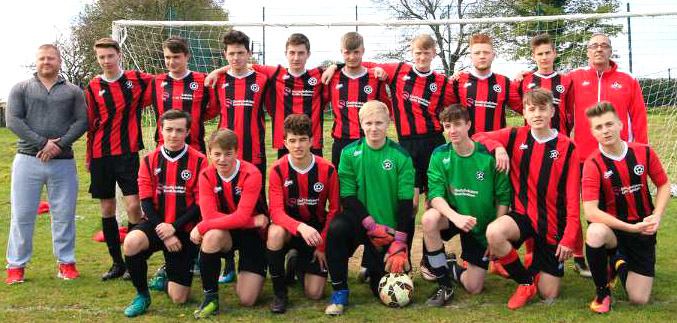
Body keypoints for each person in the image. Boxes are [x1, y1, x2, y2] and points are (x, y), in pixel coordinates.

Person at [474, 88, 582, 310]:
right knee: (494, 233)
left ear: (552, 111)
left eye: (543, 109)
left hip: (552, 224)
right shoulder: (515, 135)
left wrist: (569, 237)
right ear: (524, 111)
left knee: (549, 294)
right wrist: (498, 148)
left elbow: (573, 198)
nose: (537, 114)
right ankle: (525, 282)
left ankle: (534, 263)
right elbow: (477, 137)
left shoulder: (568, 147)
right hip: (522, 216)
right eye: (531, 109)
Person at [5, 44, 88, 284]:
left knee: (64, 214)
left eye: (51, 58)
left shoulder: (73, 91)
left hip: (63, 161)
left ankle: (66, 263)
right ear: (36, 61)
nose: (46, 62)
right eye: (42, 58)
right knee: (22, 214)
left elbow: (82, 122)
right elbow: (13, 121)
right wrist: (43, 143)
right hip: (27, 159)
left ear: (59, 61)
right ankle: (16, 267)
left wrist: (59, 145)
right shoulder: (21, 88)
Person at [508, 33, 589, 277]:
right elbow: (514, 103)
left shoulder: (566, 81)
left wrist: (564, 136)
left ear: (554, 54)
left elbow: (571, 112)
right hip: (532, 151)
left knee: (567, 203)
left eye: (547, 53)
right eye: (539, 54)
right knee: (532, 204)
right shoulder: (526, 81)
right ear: (533, 56)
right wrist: (515, 80)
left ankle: (579, 256)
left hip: (560, 151)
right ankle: (535, 253)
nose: (544, 57)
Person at [324, 100, 414, 316]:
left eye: (379, 123)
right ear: (361, 124)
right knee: (336, 230)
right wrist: (371, 225)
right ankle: (339, 291)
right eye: (369, 123)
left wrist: (400, 243)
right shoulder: (348, 153)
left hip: (387, 230)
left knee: (380, 291)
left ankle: (371, 269)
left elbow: (405, 203)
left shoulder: (401, 156)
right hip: (360, 222)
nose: (374, 128)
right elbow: (347, 195)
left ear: (389, 123)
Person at [582, 102, 670, 313]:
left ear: (620, 125)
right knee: (594, 232)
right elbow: (591, 211)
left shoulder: (644, 152)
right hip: (613, 230)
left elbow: (664, 184)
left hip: (643, 231)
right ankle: (603, 292)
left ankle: (617, 262)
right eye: (599, 127)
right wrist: (629, 228)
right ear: (593, 132)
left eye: (609, 124)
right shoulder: (592, 164)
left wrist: (656, 217)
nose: (605, 130)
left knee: (639, 299)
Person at [421, 104, 511, 306]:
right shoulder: (439, 154)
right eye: (447, 126)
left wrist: (494, 234)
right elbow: (435, 195)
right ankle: (444, 284)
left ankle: (451, 267)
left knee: (474, 287)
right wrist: (455, 217)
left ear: (468, 125)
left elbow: (504, 198)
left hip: (480, 224)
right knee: (429, 219)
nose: (452, 131)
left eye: (457, 125)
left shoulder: (488, 157)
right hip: (454, 217)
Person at [121, 110, 207, 317]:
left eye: (179, 130)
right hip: (156, 224)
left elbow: (199, 204)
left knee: (179, 298)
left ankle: (164, 278)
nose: (173, 135)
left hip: (184, 229)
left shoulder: (199, 160)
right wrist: (165, 232)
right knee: (131, 241)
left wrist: (174, 228)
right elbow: (146, 202)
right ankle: (142, 295)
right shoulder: (149, 160)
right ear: (161, 130)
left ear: (187, 132)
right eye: (169, 130)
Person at [85, 38, 153, 280]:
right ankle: (117, 263)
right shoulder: (93, 86)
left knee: (134, 205)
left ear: (119, 55)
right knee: (107, 208)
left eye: (110, 56)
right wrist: (88, 157)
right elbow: (91, 123)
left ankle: (134, 257)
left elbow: (166, 83)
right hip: (100, 155)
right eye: (101, 57)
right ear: (98, 59)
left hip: (127, 153)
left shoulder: (136, 79)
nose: (106, 61)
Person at [190, 128, 269, 318]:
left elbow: (239, 216)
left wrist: (200, 227)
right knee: (211, 236)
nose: (222, 159)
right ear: (209, 153)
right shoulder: (206, 175)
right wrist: (252, 221)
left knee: (247, 300)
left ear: (237, 152)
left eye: (228, 154)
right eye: (216, 154)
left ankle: (257, 268)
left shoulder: (251, 173)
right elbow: (210, 216)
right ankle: (211, 298)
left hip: (252, 236)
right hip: (229, 232)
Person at [206, 33, 326, 158]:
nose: (296, 58)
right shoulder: (275, 73)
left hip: (313, 140)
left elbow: (340, 72)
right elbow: (242, 64)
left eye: (301, 53)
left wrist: (334, 66)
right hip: (286, 142)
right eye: (292, 53)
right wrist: (217, 71)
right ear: (286, 53)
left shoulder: (319, 75)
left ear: (308, 54)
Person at [266, 114, 340, 313]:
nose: (297, 145)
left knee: (314, 293)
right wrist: (300, 226)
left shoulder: (328, 169)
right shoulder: (277, 170)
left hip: (315, 234)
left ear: (311, 141)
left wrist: (323, 244)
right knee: (274, 233)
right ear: (284, 142)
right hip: (290, 229)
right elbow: (276, 212)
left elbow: (334, 210)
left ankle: (295, 263)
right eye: (292, 140)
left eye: (302, 140)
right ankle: (280, 293)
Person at [568, 33, 648, 164]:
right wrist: (524, 77)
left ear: (610, 51)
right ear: (588, 52)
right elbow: (550, 85)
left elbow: (639, 117)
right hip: (584, 156)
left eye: (604, 46)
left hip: (620, 154)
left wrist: (642, 150)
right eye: (594, 46)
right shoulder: (574, 77)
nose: (599, 49)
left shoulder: (628, 79)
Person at [321, 32, 391, 168]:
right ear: (341, 51)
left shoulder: (375, 77)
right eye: (347, 53)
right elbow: (322, 104)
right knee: (342, 186)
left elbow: (385, 108)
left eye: (356, 52)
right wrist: (334, 66)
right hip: (341, 141)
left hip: (369, 140)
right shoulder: (332, 77)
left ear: (363, 51)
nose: (352, 57)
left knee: (369, 184)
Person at [211, 30, 269, 181]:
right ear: (225, 54)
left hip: (254, 148)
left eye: (240, 53)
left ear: (248, 53)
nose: (236, 58)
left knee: (257, 197)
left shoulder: (262, 80)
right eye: (231, 54)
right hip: (224, 150)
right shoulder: (218, 80)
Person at [452, 34, 516, 136]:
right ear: (471, 57)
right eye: (477, 53)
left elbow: (524, 107)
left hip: (497, 144)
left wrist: (527, 77)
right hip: (466, 145)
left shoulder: (505, 82)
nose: (482, 56)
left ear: (493, 56)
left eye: (486, 52)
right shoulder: (458, 81)